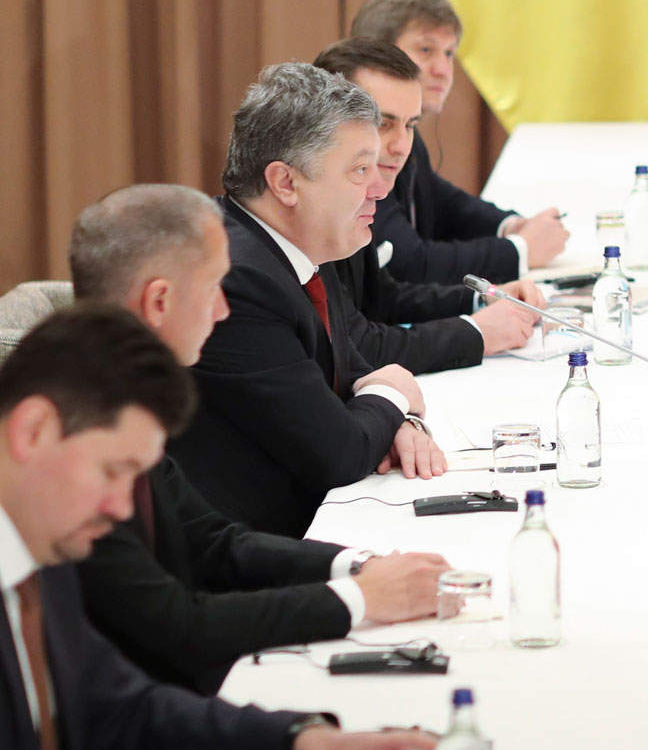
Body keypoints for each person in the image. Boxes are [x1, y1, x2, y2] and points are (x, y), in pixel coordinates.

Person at [0, 305, 437, 750]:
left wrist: (301, 740)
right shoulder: (51, 539)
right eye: (112, 471)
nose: (121, 507)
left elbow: (122, 707)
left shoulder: (39, 549)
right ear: (33, 431)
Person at [66, 184, 451, 694]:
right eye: (213, 288)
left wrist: (358, 566)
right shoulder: (79, 441)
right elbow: (178, 627)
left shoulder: (125, 397)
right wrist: (362, 599)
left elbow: (214, 542)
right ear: (159, 301)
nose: (223, 311)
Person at [172, 63, 446, 538]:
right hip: (249, 553)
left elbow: (355, 376)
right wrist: (394, 395)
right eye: (360, 171)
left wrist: (400, 422)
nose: (381, 189)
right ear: (286, 183)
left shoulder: (299, 248)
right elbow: (339, 453)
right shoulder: (235, 280)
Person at [311, 37, 543, 372]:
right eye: (383, 123)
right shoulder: (312, 210)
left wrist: (482, 298)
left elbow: (385, 299)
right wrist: (476, 333)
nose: (401, 146)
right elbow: (358, 347)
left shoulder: (357, 195)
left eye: (410, 126)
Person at [351, 0, 568, 284]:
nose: (443, 70)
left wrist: (510, 226)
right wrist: (520, 250)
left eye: (449, 53)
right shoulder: (352, 138)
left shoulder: (404, 132)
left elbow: (441, 201)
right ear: (376, 51)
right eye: (426, 50)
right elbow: (408, 264)